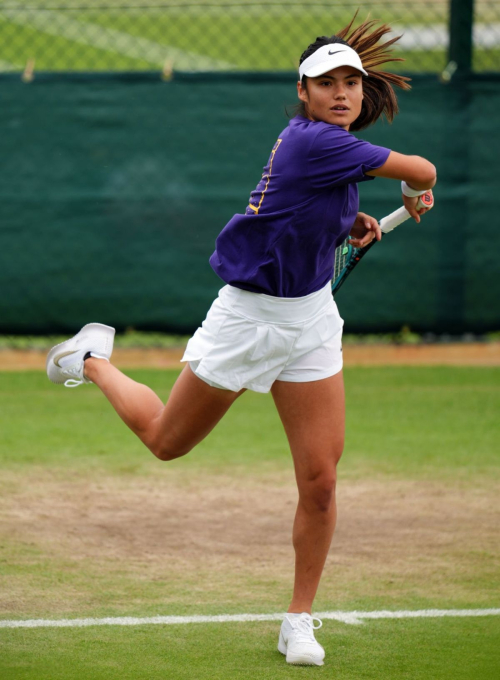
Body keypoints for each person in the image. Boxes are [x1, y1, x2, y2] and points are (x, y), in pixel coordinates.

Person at [46, 15, 436, 667]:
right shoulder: (313, 143)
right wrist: (414, 186)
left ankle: (298, 620)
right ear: (303, 91)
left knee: (320, 483)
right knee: (166, 442)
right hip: (248, 320)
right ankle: (87, 358)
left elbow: (318, 214)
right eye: (327, 82)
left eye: (351, 82)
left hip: (310, 321)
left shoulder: (335, 155)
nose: (341, 93)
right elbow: (420, 166)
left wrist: (351, 225)